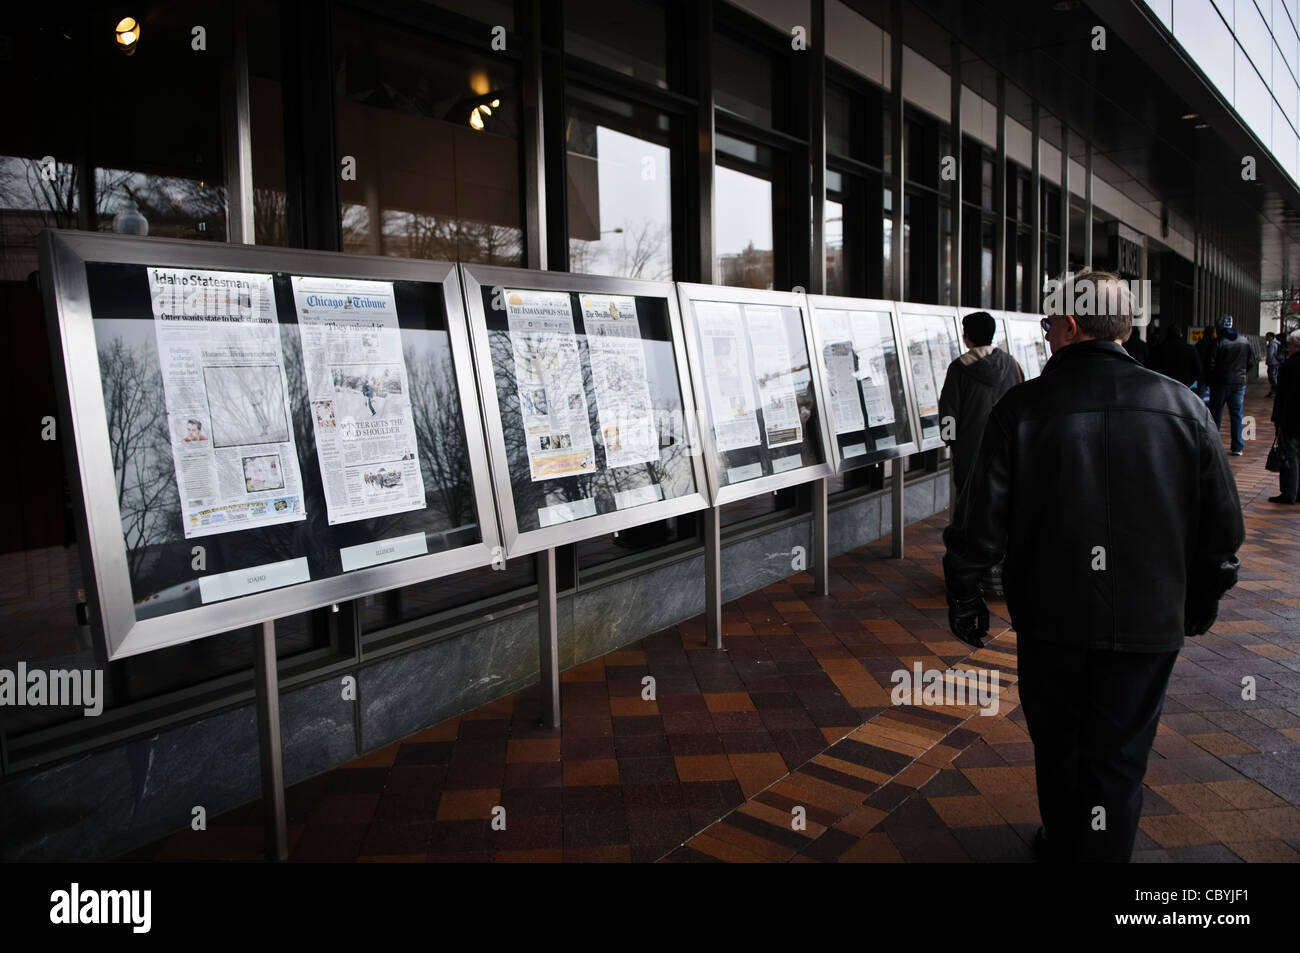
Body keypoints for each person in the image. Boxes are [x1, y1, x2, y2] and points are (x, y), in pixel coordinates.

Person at [942, 269, 1244, 863]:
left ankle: (1063, 843)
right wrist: (1202, 600)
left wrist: (966, 596)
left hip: (1053, 616)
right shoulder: (1183, 406)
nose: (1045, 330)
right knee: (1121, 754)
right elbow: (1223, 532)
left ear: (1071, 325)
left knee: (1057, 745)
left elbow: (980, 522)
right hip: (1150, 618)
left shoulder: (1022, 408)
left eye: (1049, 320)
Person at [938, 311, 1023, 597]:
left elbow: (948, 414)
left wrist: (950, 440)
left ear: (967, 336)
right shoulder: (1011, 364)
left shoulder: (959, 368)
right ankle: (1002, 575)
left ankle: (973, 577)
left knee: (970, 512)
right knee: (1006, 509)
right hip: (1010, 452)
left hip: (970, 454)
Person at [1207, 314, 1252, 456]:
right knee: (1237, 414)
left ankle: (1213, 444)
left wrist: (1211, 378)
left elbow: (1211, 364)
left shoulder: (1218, 342)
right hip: (1239, 383)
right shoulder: (1245, 341)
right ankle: (1238, 446)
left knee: (1216, 413)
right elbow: (1250, 362)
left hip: (1220, 383)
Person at [1269, 329, 1300, 503]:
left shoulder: (1289, 366)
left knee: (1290, 454)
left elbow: (1282, 395)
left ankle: (1289, 492)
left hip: (1291, 418)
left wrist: (1277, 418)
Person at [1147, 324, 1202, 388]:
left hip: (1163, 385)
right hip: (1183, 385)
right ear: (1180, 334)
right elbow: (1198, 370)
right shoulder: (1190, 349)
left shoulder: (1158, 350)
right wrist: (1188, 382)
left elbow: (1150, 369)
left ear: (1166, 334)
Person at [1194, 324, 1217, 401]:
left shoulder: (1200, 343)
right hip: (1213, 372)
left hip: (1202, 371)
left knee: (1200, 393)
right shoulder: (1215, 343)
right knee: (1214, 394)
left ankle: (1199, 408)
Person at [1265, 331, 1281, 397]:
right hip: (1277, 362)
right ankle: (1273, 391)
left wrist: (1268, 361)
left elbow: (1270, 354)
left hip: (1272, 362)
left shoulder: (1272, 343)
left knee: (1272, 377)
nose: (1266, 337)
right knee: (1274, 377)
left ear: (1271, 337)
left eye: (1267, 336)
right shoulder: (1277, 343)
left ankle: (1276, 390)